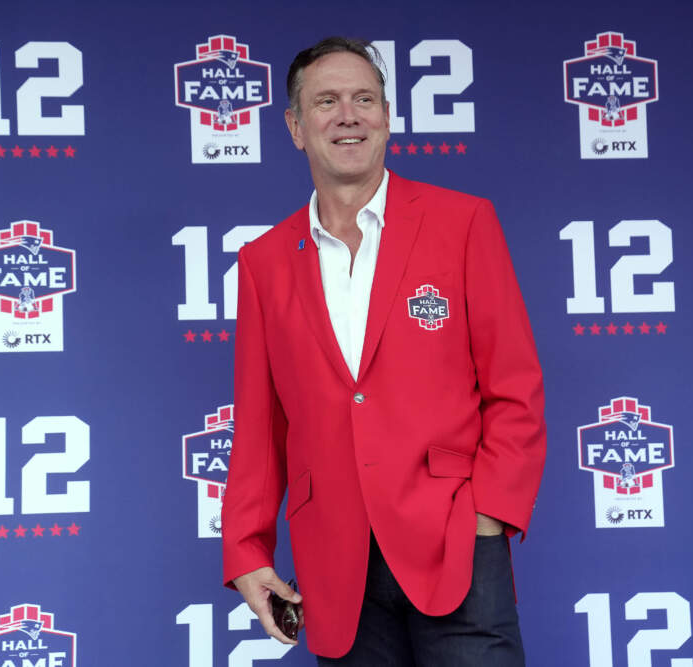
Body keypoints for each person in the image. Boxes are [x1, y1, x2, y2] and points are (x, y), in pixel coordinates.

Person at [221, 36, 546, 665]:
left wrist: (489, 519)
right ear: (295, 127)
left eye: (364, 99)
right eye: (328, 102)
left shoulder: (464, 222)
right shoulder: (262, 262)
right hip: (335, 565)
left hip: (456, 549)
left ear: (388, 117)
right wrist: (246, 551)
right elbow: (260, 427)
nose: (349, 115)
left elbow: (515, 386)